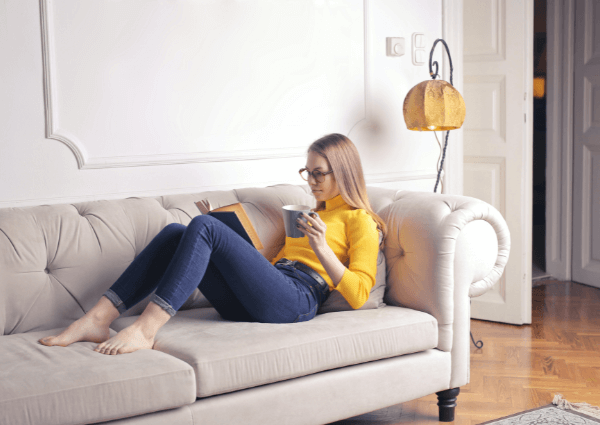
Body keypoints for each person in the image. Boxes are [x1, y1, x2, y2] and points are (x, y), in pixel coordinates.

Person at [39, 133, 387, 355]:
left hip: (297, 301)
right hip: (263, 296)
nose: (310, 181)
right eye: (306, 172)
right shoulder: (310, 214)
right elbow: (268, 270)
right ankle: (98, 318)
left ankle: (146, 330)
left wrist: (323, 247)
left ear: (343, 171)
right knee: (178, 232)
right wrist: (229, 234)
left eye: (318, 173)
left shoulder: (360, 221)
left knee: (202, 227)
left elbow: (359, 294)